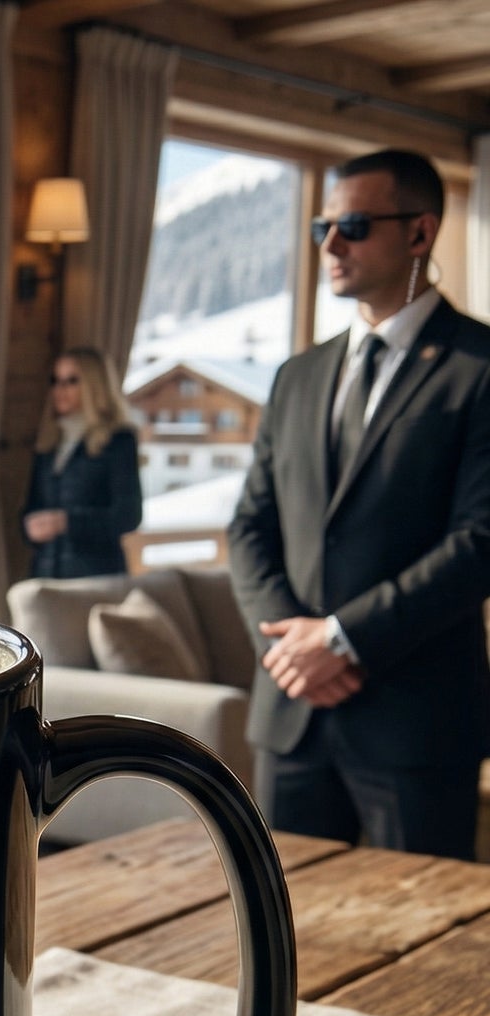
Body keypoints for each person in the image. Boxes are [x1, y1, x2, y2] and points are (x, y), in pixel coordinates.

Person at [228, 148, 490, 860]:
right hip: (292, 713)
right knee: (287, 932)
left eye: (353, 224)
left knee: (427, 939)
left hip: (416, 718)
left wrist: (341, 640)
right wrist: (289, 652)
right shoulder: (297, 376)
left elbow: (481, 542)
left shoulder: (479, 367)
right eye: (322, 227)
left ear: (419, 233)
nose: (331, 245)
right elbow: (249, 527)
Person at [21, 346, 143, 579]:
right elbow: (30, 508)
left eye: (71, 381)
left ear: (93, 384)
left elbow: (129, 515)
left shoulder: (118, 441)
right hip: (46, 576)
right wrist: (29, 529)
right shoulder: (49, 443)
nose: (60, 389)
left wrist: (66, 523)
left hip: (96, 577)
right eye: (56, 380)